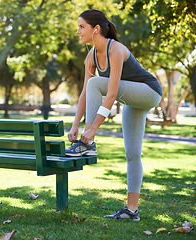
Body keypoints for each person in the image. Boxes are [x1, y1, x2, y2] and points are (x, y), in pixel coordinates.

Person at [65, 9, 162, 221]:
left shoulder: (115, 50)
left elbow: (110, 95)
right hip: (131, 100)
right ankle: (132, 210)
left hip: (149, 91)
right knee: (132, 155)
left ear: (96, 29)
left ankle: (88, 144)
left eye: (82, 27)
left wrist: (91, 130)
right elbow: (85, 94)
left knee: (95, 83)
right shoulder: (91, 56)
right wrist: (75, 126)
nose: (78, 31)